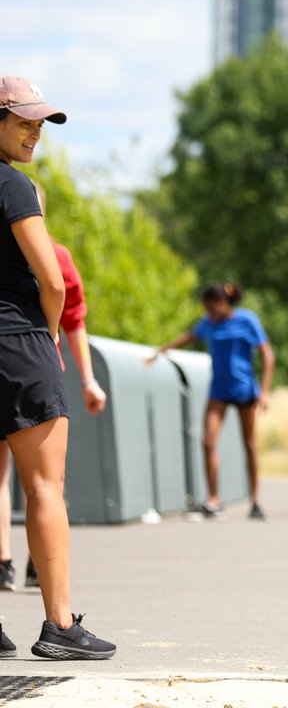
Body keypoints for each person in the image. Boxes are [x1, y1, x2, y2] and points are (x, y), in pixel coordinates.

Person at [0, 75, 116, 658]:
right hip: (18, 344)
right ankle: (60, 626)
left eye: (40, 123)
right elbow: (52, 279)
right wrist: (45, 338)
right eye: (24, 121)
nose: (35, 132)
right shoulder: (15, 188)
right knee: (45, 487)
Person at [1, 182, 110, 591]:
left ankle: (5, 562)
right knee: (46, 483)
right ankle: (47, 591)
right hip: (31, 365)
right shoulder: (55, 254)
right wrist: (80, 373)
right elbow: (70, 310)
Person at [147, 281, 274, 520]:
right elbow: (189, 336)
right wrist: (161, 350)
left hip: (245, 389)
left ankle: (255, 500)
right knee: (208, 441)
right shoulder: (208, 323)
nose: (209, 314)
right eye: (206, 309)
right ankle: (214, 500)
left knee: (249, 443)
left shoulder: (247, 320)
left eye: (212, 308)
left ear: (224, 303)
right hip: (219, 390)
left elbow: (268, 354)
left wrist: (265, 391)